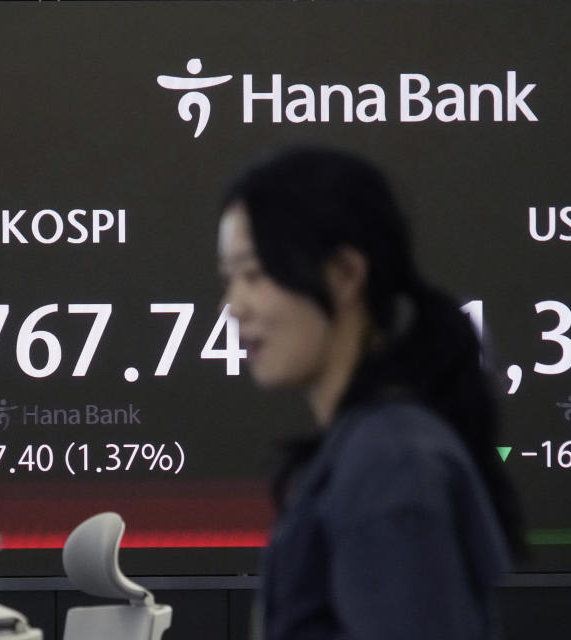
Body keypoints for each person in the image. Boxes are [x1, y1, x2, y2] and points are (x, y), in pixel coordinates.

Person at [216, 146, 522, 640]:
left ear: (344, 275)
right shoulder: (369, 450)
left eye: (254, 275)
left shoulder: (390, 463)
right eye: (228, 279)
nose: (234, 306)